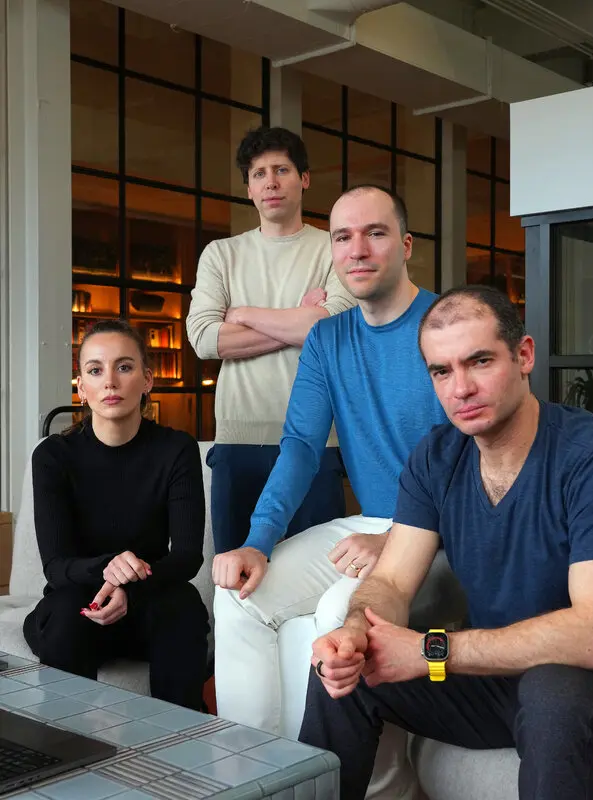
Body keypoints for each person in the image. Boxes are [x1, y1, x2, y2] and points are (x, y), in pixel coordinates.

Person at [300, 285, 593, 800]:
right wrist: (355, 631)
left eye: (479, 361)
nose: (461, 388)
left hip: (576, 682)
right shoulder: (437, 457)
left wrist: (431, 651)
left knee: (553, 695)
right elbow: (392, 582)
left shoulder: (586, 454)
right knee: (343, 669)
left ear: (524, 355)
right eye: (441, 371)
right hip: (491, 679)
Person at [213, 185, 454, 736]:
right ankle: (257, 769)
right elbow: (300, 446)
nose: (357, 250)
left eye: (375, 233)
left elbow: (473, 462)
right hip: (371, 525)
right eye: (343, 237)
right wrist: (258, 541)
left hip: (445, 534)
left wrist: (400, 538)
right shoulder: (327, 338)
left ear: (406, 245)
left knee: (337, 617)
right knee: (240, 596)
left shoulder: (444, 327)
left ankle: (351, 774)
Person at [24, 320, 210, 711]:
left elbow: (187, 557)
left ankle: (180, 740)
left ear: (147, 380)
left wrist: (129, 586)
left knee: (184, 606)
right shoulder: (53, 456)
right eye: (95, 370)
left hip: (151, 599)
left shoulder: (176, 449)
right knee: (67, 613)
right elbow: (56, 567)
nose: (110, 382)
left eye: (124, 367)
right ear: (81, 387)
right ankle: (63, 742)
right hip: (77, 604)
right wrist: (109, 568)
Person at [186, 126, 355, 554]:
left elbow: (331, 328)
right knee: (235, 575)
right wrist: (299, 319)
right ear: (248, 187)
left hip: (318, 440)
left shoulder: (334, 248)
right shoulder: (221, 254)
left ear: (304, 178)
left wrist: (242, 315)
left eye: (282, 170)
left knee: (319, 578)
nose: (271, 182)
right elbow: (204, 338)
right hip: (238, 439)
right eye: (259, 173)